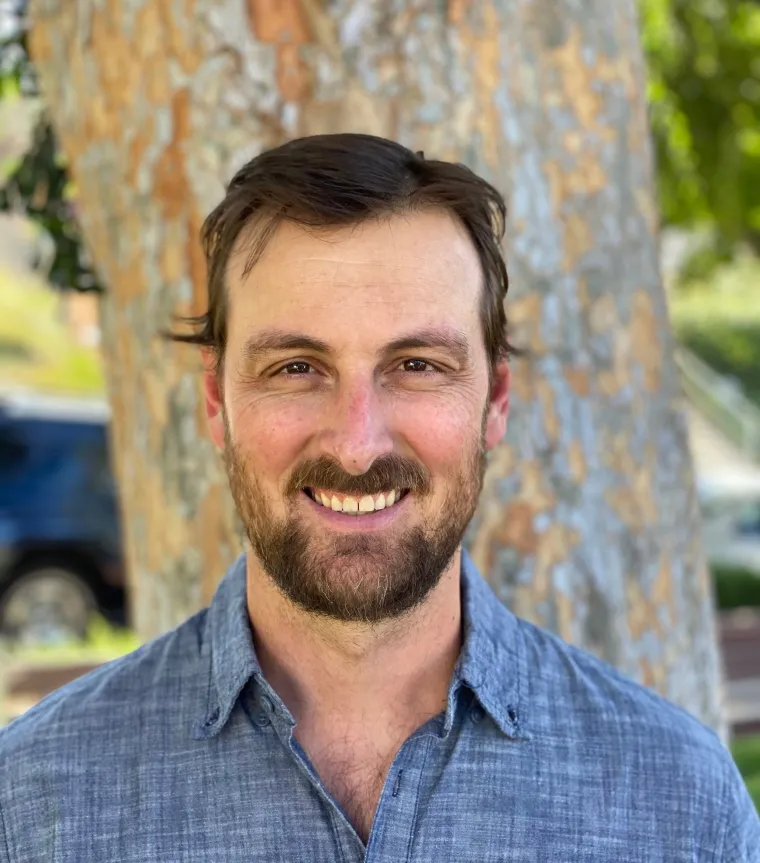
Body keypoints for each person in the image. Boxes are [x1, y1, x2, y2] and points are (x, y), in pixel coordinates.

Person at [0, 134, 757, 862]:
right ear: (215, 399)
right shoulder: (34, 805)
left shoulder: (679, 802)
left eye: (417, 364)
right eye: (296, 367)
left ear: (494, 397)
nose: (357, 444)